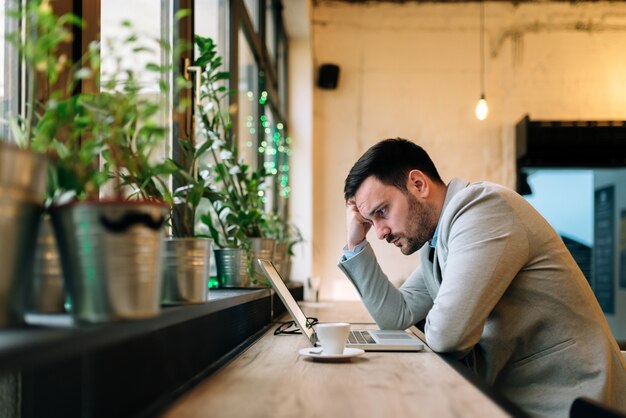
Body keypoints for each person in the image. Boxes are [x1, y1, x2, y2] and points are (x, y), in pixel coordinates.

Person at [338, 138, 626, 418]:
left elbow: (449, 335)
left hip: (569, 399)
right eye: (369, 221)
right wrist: (355, 245)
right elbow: (396, 314)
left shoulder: (483, 209)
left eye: (382, 212)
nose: (379, 232)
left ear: (418, 184)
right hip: (516, 394)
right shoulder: (436, 242)